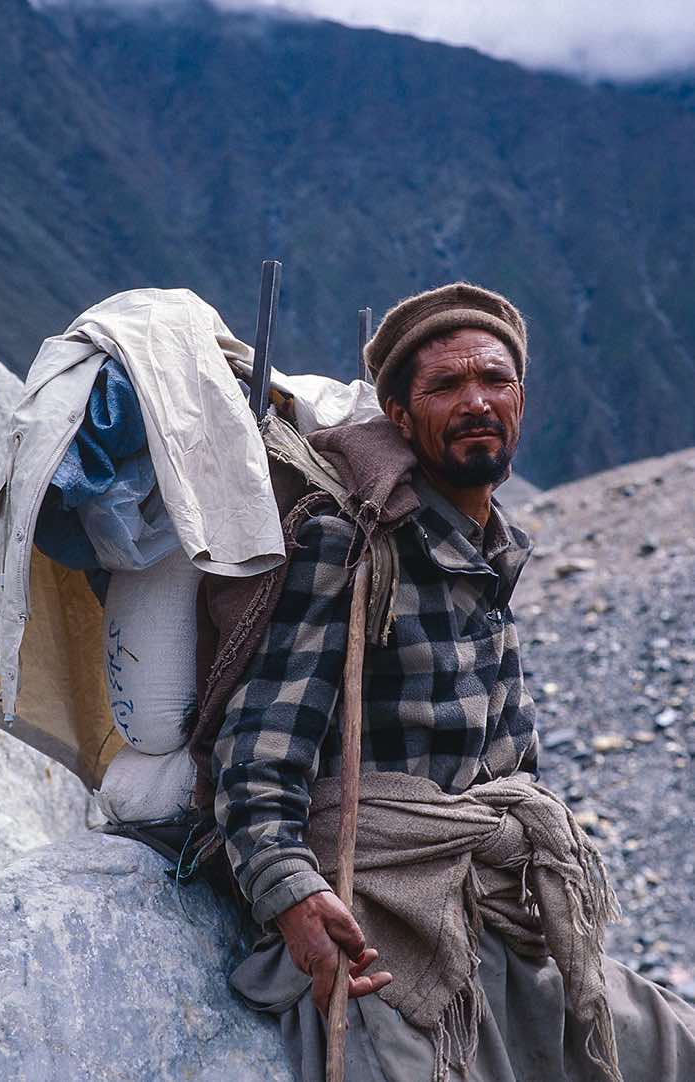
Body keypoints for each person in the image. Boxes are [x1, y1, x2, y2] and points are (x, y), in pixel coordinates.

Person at [210, 284, 695, 1081]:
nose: (476, 402)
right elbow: (258, 756)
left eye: (494, 381)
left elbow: (514, 769)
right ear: (399, 416)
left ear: (522, 400)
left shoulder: (494, 551)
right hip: (384, 910)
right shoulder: (354, 551)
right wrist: (292, 895)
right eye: (445, 386)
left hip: (495, 902)